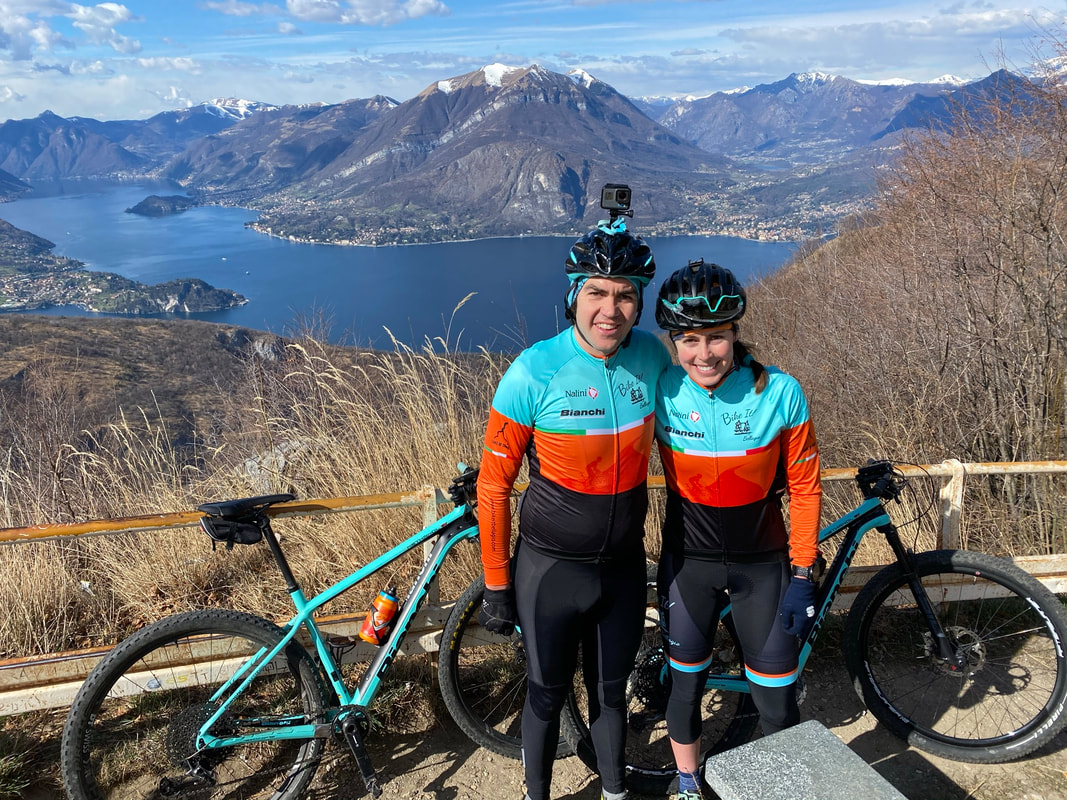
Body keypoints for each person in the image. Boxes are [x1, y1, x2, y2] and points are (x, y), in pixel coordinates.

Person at [476, 217, 670, 800]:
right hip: (549, 571)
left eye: (625, 295)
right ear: (573, 296)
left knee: (613, 695)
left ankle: (614, 793)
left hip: (623, 566)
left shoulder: (653, 359)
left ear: (639, 304)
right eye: (597, 292)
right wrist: (495, 584)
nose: (610, 309)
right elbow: (494, 487)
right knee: (545, 694)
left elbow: (703, 411)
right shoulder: (533, 371)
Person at [652, 259, 822, 800]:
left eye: (717, 338)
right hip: (687, 565)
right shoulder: (660, 392)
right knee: (686, 687)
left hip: (763, 566)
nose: (704, 353)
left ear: (735, 333)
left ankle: (783, 788)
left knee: (776, 698)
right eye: (688, 340)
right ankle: (687, 784)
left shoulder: (780, 393)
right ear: (673, 342)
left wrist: (802, 572)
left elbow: (805, 486)